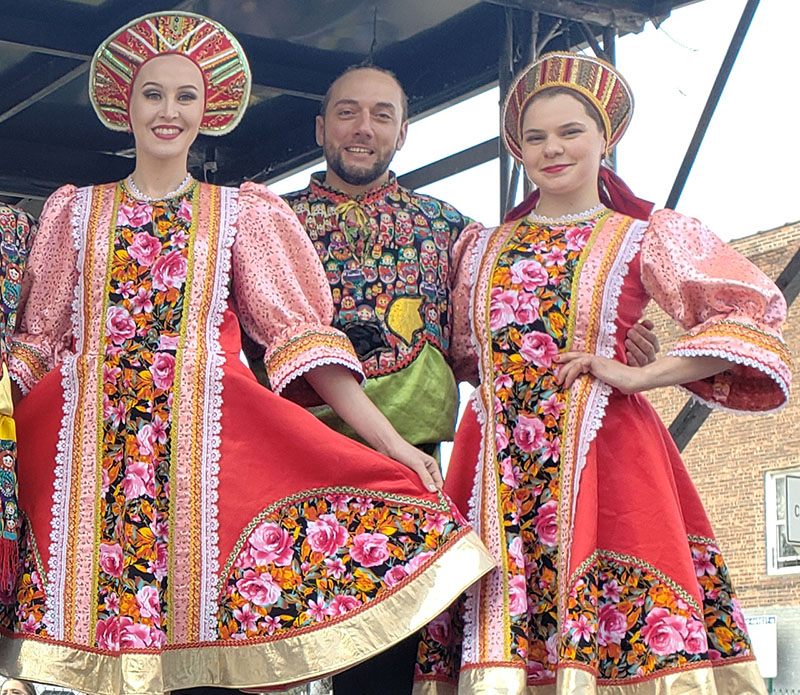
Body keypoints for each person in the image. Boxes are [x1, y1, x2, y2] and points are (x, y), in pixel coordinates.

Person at [0, 12, 494, 695]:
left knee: (203, 658)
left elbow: (302, 343)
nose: (168, 111)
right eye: (153, 93)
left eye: (184, 96)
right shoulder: (72, 211)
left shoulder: (242, 214)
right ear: (124, 103)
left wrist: (394, 447)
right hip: (92, 463)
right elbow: (33, 343)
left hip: (207, 465)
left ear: (211, 111)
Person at [264, 64, 659, 695]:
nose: (363, 128)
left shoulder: (454, 233)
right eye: (346, 112)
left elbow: (505, 344)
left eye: (382, 114)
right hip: (283, 460)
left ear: (404, 132)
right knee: (263, 654)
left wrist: (612, 338)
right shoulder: (268, 223)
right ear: (319, 127)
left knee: (385, 666)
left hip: (406, 472)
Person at [413, 52, 792, 695]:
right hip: (495, 467)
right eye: (535, 137)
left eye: (570, 132)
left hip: (605, 455)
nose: (552, 148)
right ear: (517, 149)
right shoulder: (477, 248)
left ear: (604, 138)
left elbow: (747, 318)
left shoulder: (645, 236)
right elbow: (466, 356)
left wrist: (643, 374)